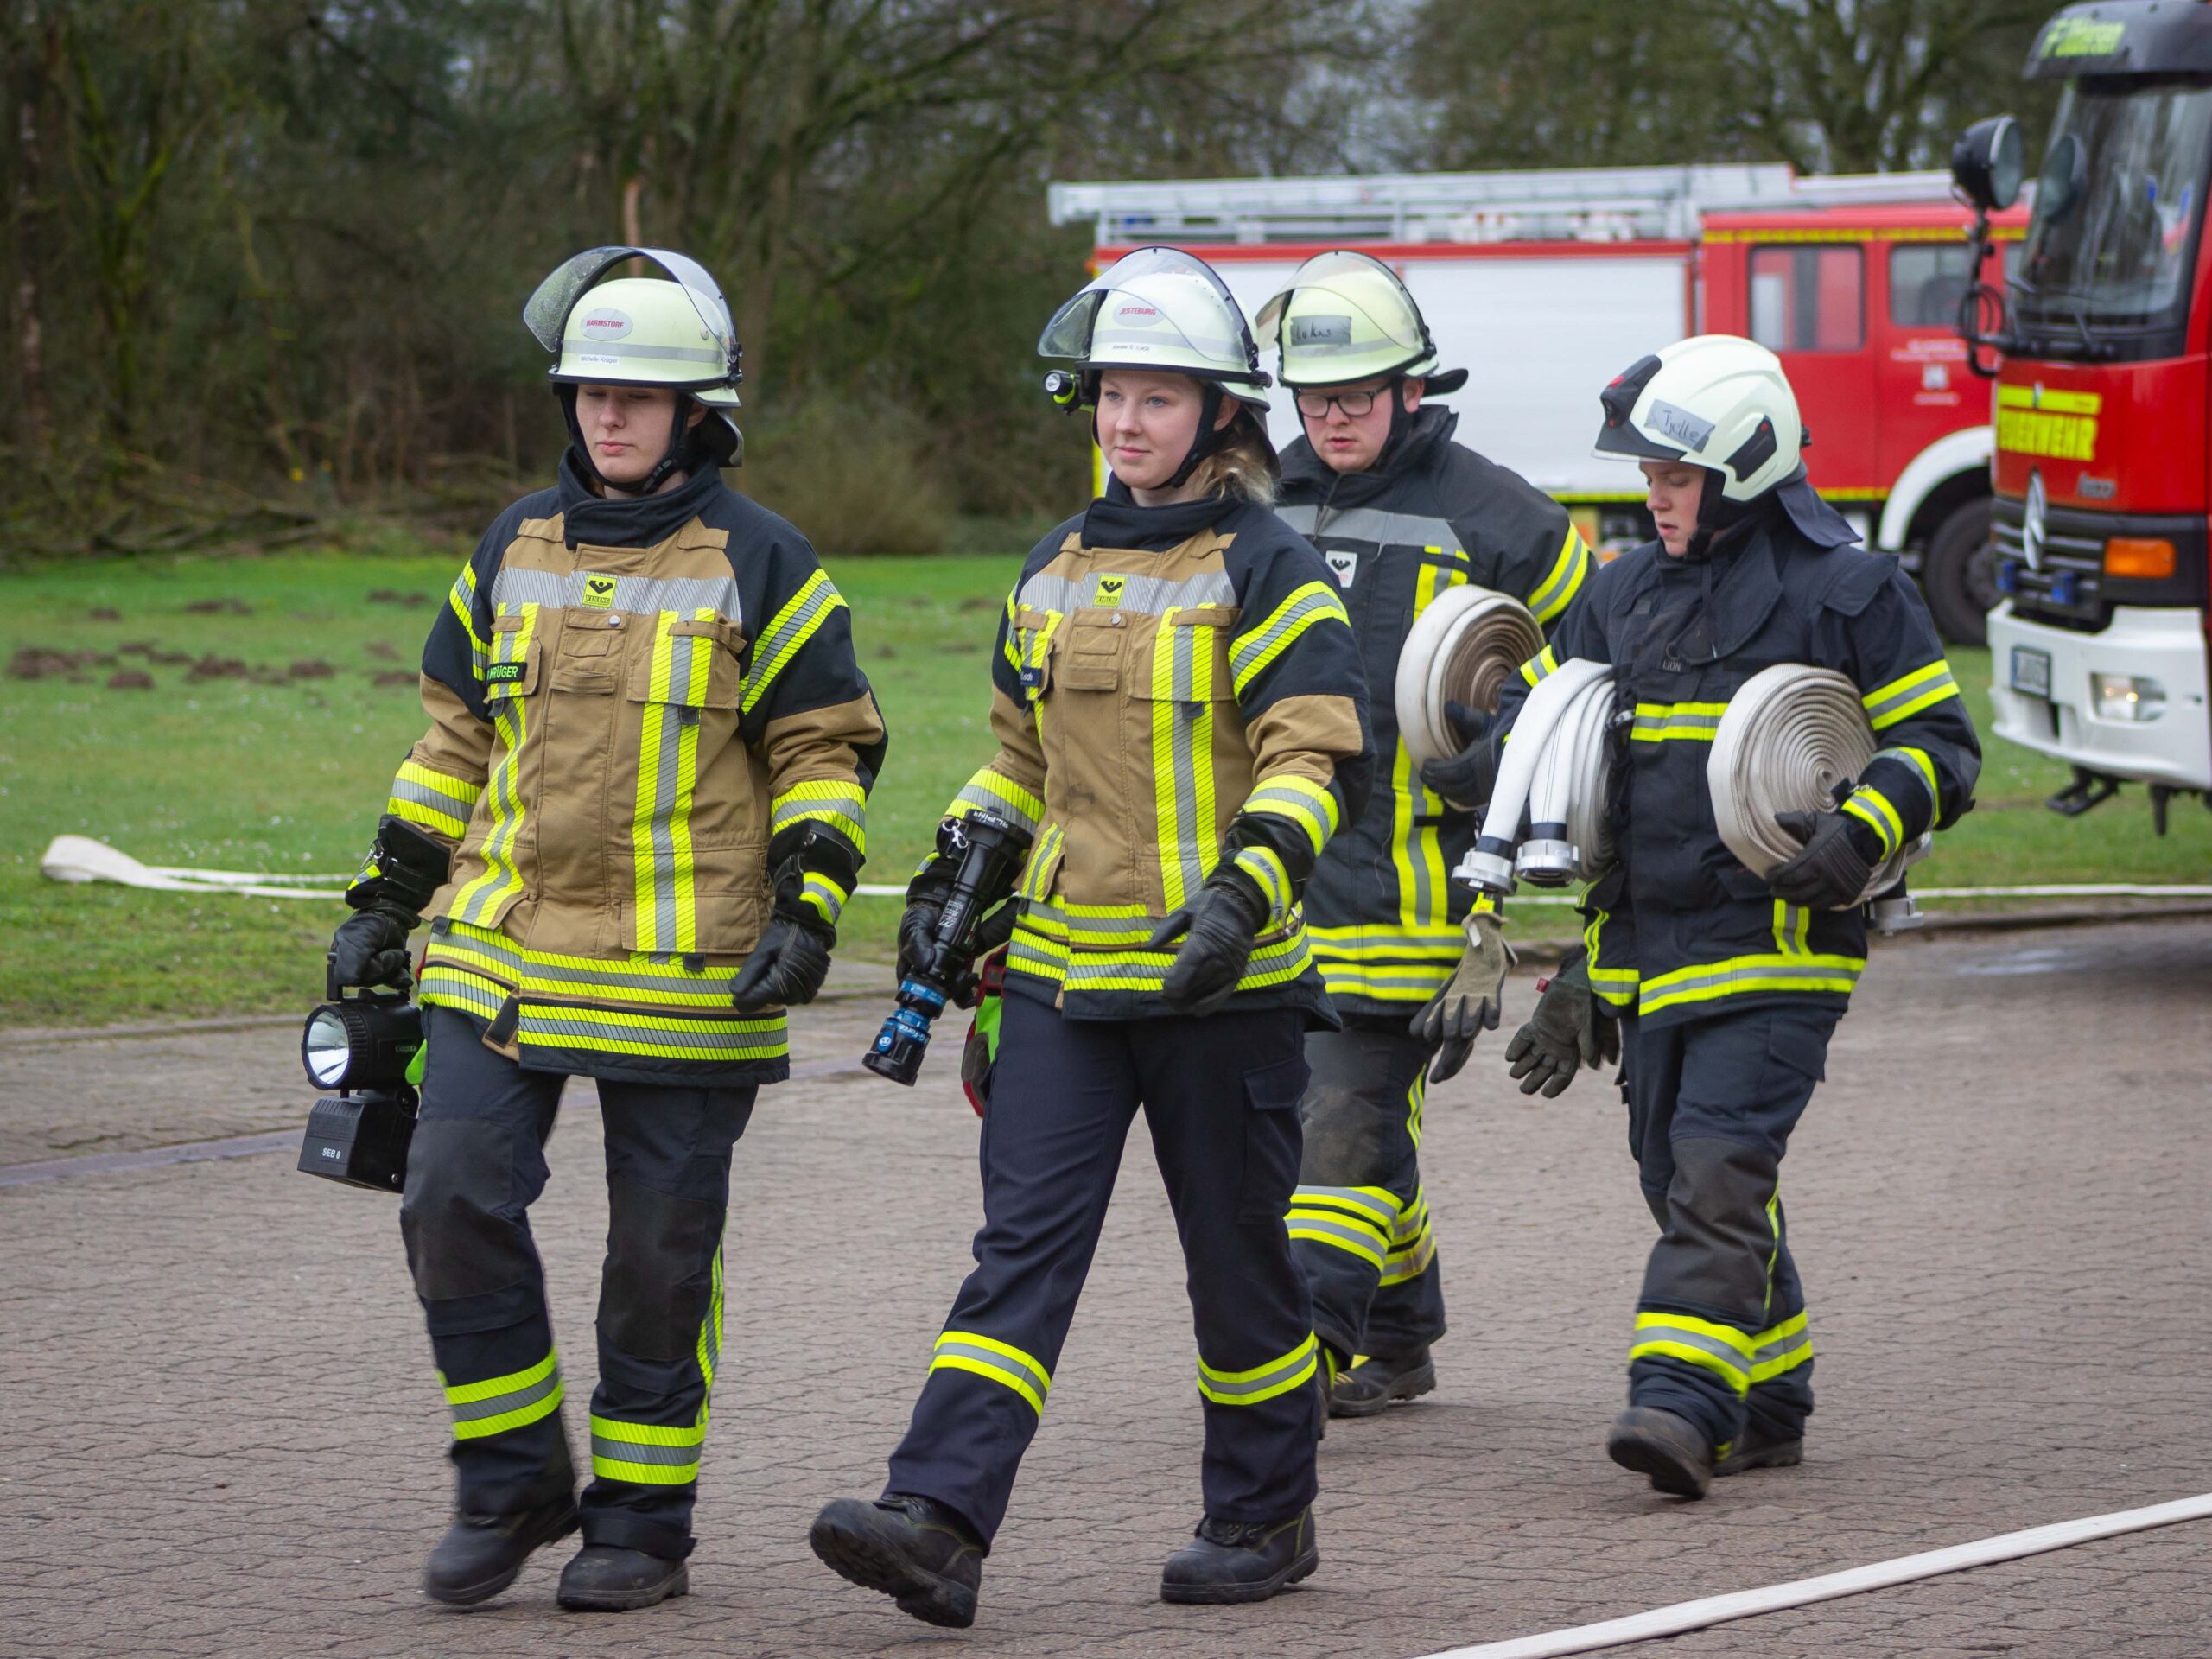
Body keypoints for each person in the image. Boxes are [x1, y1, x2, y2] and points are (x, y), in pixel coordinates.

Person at [808, 247, 1374, 1624]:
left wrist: (1242, 896)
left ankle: (1263, 1515)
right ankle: (938, 1520)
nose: (1126, 420)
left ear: (1220, 413)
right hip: (1062, 981)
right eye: (1113, 394)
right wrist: (956, 867)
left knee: (1238, 1272)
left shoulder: (1274, 569)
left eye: (1157, 397)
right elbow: (1021, 758)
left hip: (1223, 985)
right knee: (1020, 1251)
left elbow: (1312, 758)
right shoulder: (1050, 568)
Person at [326, 246, 885, 1610]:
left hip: (686, 972)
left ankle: (641, 1522)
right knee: (448, 1194)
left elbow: (824, 749)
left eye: (639, 395)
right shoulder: (510, 546)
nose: (610, 415)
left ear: (698, 412)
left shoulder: (766, 559)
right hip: (500, 946)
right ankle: (512, 1474)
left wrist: (811, 906)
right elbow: (453, 744)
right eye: (590, 392)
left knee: (657, 1262)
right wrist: (388, 898)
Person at [1490, 335, 1979, 1497]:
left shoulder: (1848, 592)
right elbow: (1546, 727)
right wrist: (1479, 745)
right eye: (1650, 476)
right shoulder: (1620, 593)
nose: (1653, 497)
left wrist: (1861, 828)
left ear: (1744, 466)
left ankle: (1682, 1402)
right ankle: (1773, 1398)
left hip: (1782, 951)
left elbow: (1942, 747)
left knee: (1716, 1171)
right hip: (1651, 951)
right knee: (1681, 1175)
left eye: (1676, 477)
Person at [1250, 251, 1594, 1414]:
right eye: (1314, 396)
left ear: (1411, 387)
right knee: (1320, 1116)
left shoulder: (1504, 519)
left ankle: (1301, 1360)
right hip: (1277, 894)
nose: (1332, 417)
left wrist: (1503, 750)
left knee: (1340, 1122)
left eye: (1356, 394)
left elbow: (1595, 680)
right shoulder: (1258, 501)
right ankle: (1400, 1334)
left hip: (1417, 903)